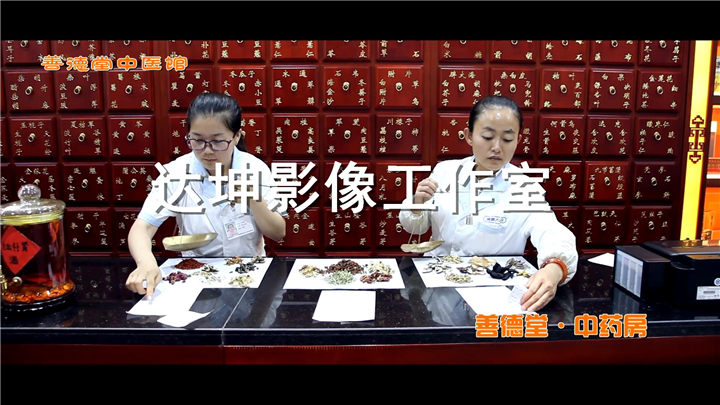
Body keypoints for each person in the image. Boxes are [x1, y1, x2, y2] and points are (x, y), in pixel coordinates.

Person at [399, 95, 578, 312]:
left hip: (493, 289)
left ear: (518, 140)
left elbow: (551, 229)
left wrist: (554, 268)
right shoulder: (445, 171)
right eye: (487, 137)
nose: (497, 147)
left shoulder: (523, 187)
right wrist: (418, 203)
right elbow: (415, 227)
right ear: (469, 136)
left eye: (507, 139)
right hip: (438, 286)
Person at [126, 92, 287, 297]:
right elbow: (143, 226)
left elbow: (278, 233)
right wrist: (145, 262)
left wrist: (254, 199)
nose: (207, 151)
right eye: (198, 140)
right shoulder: (176, 172)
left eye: (218, 141)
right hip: (197, 275)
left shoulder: (256, 169)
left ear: (237, 136)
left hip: (249, 273)